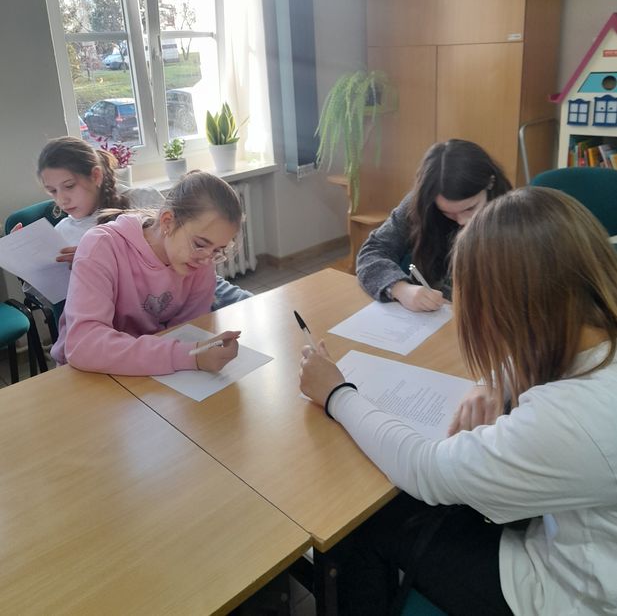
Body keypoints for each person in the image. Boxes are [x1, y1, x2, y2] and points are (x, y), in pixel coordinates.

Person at [300, 187, 617, 615]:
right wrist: (495, 381)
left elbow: (426, 468)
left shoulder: (574, 418)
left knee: (368, 522)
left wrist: (337, 394)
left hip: (570, 592)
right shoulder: (593, 329)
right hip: (573, 528)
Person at [16, 136, 250, 316]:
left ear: (95, 176)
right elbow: (56, 302)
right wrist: (28, 264)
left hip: (185, 294)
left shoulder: (143, 199)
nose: (61, 199)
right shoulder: (62, 234)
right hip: (127, 318)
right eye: (52, 191)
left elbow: (191, 263)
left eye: (69, 186)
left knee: (251, 306)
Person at [51, 169, 245, 376]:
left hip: (150, 369)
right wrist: (190, 356)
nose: (206, 260)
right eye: (200, 244)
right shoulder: (101, 246)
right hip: (83, 375)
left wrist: (197, 353)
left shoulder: (199, 261)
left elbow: (186, 333)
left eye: (217, 251)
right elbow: (84, 345)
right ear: (167, 221)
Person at [356, 139, 511, 312]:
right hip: (427, 318)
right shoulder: (420, 206)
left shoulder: (514, 219)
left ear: (490, 183)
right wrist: (400, 288)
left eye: (470, 208)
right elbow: (373, 251)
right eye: (447, 212)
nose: (462, 221)